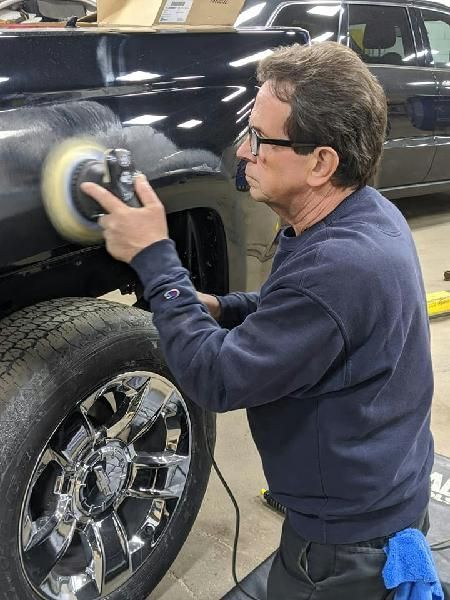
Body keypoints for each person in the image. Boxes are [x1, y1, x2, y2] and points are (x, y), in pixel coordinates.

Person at [82, 41, 434, 599]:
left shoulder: (341, 266)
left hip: (345, 543)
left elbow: (216, 379)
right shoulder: (364, 213)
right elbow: (304, 314)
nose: (244, 151)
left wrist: (155, 256)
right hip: (380, 487)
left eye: (261, 139)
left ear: (321, 162)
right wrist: (222, 307)